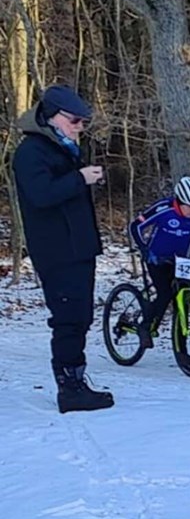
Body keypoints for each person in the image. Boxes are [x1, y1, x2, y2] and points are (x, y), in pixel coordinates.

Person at [12, 84, 114, 412]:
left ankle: (77, 380)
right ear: (52, 116)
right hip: (57, 250)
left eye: (84, 122)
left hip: (78, 247)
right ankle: (69, 389)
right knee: (69, 317)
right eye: (75, 120)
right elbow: (40, 195)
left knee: (80, 315)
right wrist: (79, 179)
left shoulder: (63, 146)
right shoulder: (31, 152)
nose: (80, 127)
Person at [129, 176, 190, 365]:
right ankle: (145, 326)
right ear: (179, 201)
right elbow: (135, 226)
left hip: (180, 260)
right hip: (157, 258)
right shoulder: (164, 209)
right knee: (164, 294)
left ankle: (182, 351)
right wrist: (145, 249)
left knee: (183, 299)